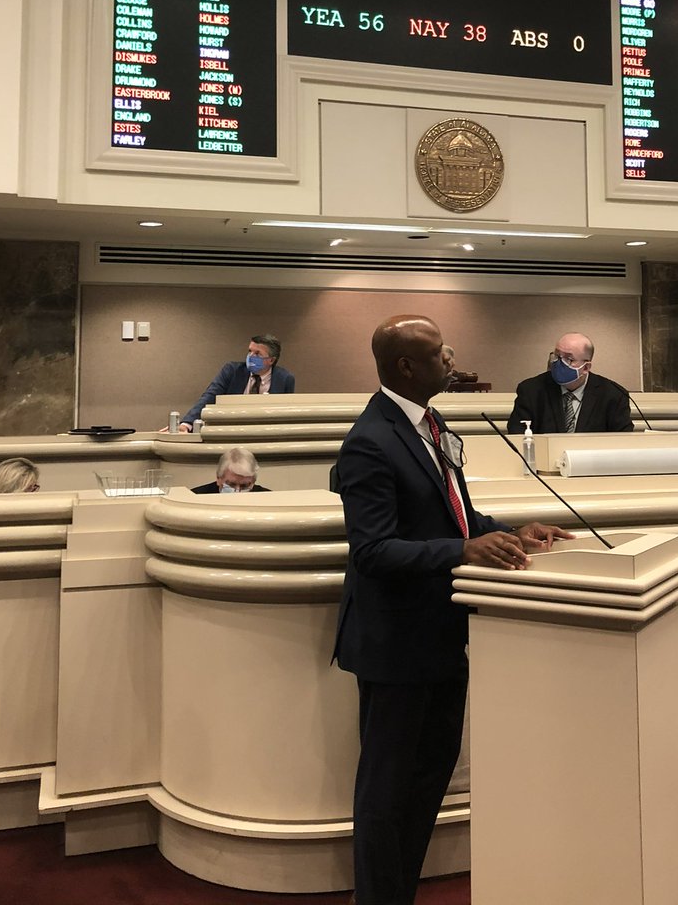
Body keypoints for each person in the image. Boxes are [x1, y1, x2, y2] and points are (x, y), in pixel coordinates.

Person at [333, 314, 573, 905]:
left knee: (430, 775)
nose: (451, 358)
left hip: (443, 635)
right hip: (397, 643)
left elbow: (456, 516)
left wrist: (513, 529)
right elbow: (372, 551)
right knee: (387, 791)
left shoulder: (431, 423)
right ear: (405, 367)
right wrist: (463, 549)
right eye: (439, 352)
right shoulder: (371, 439)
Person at [507, 331, 633, 435]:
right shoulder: (531, 390)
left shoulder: (614, 395)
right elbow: (517, 436)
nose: (558, 363)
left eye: (569, 359)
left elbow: (623, 441)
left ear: (586, 368)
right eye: (557, 355)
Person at [178, 334, 295, 430]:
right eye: (250, 351)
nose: (251, 356)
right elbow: (209, 397)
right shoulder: (232, 371)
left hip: (266, 434)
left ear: (271, 360)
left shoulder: (285, 379)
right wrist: (186, 424)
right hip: (231, 430)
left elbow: (286, 415)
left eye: (257, 354)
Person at [191, 447, 270, 494]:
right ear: (218, 478)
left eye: (244, 486)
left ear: (253, 482)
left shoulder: (268, 499)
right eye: (231, 484)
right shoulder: (197, 497)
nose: (237, 492)